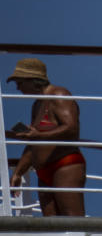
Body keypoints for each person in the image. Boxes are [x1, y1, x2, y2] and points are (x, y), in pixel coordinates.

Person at [7, 58, 86, 216]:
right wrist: (18, 172)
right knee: (51, 226)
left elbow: (71, 128)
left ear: (33, 80)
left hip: (64, 165)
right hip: (43, 170)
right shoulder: (37, 105)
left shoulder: (59, 94)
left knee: (73, 219)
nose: (17, 87)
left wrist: (38, 134)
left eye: (20, 82)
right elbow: (34, 143)